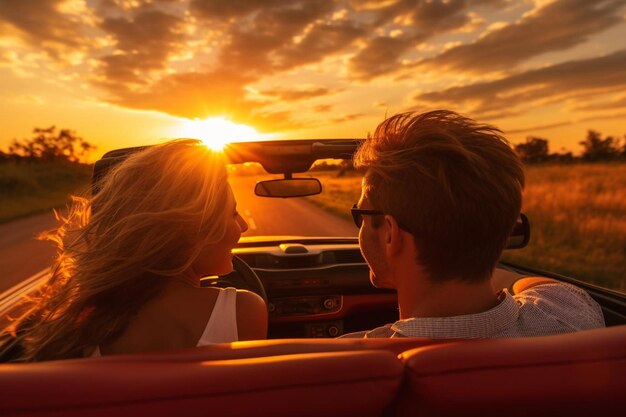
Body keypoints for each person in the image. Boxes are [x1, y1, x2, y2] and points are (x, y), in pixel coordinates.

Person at [343, 110, 604, 338]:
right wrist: (480, 261)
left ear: (390, 234)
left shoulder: (348, 364)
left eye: (362, 214)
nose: (361, 222)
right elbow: (536, 285)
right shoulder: (572, 315)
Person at [0, 140, 267, 362]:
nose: (243, 225)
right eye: (232, 214)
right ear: (191, 228)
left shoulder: (72, 323)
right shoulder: (243, 311)